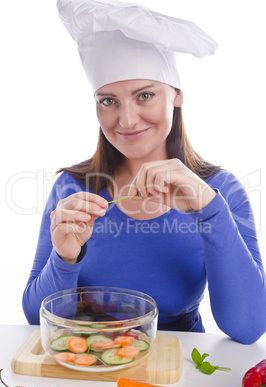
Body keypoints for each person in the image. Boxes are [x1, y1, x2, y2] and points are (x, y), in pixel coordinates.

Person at [23, 0, 266, 344]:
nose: (127, 120)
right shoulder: (73, 188)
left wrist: (210, 211)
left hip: (179, 371)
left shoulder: (220, 190)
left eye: (145, 95)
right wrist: (65, 256)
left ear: (177, 95)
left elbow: (248, 327)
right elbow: (36, 321)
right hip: (89, 363)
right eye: (108, 101)